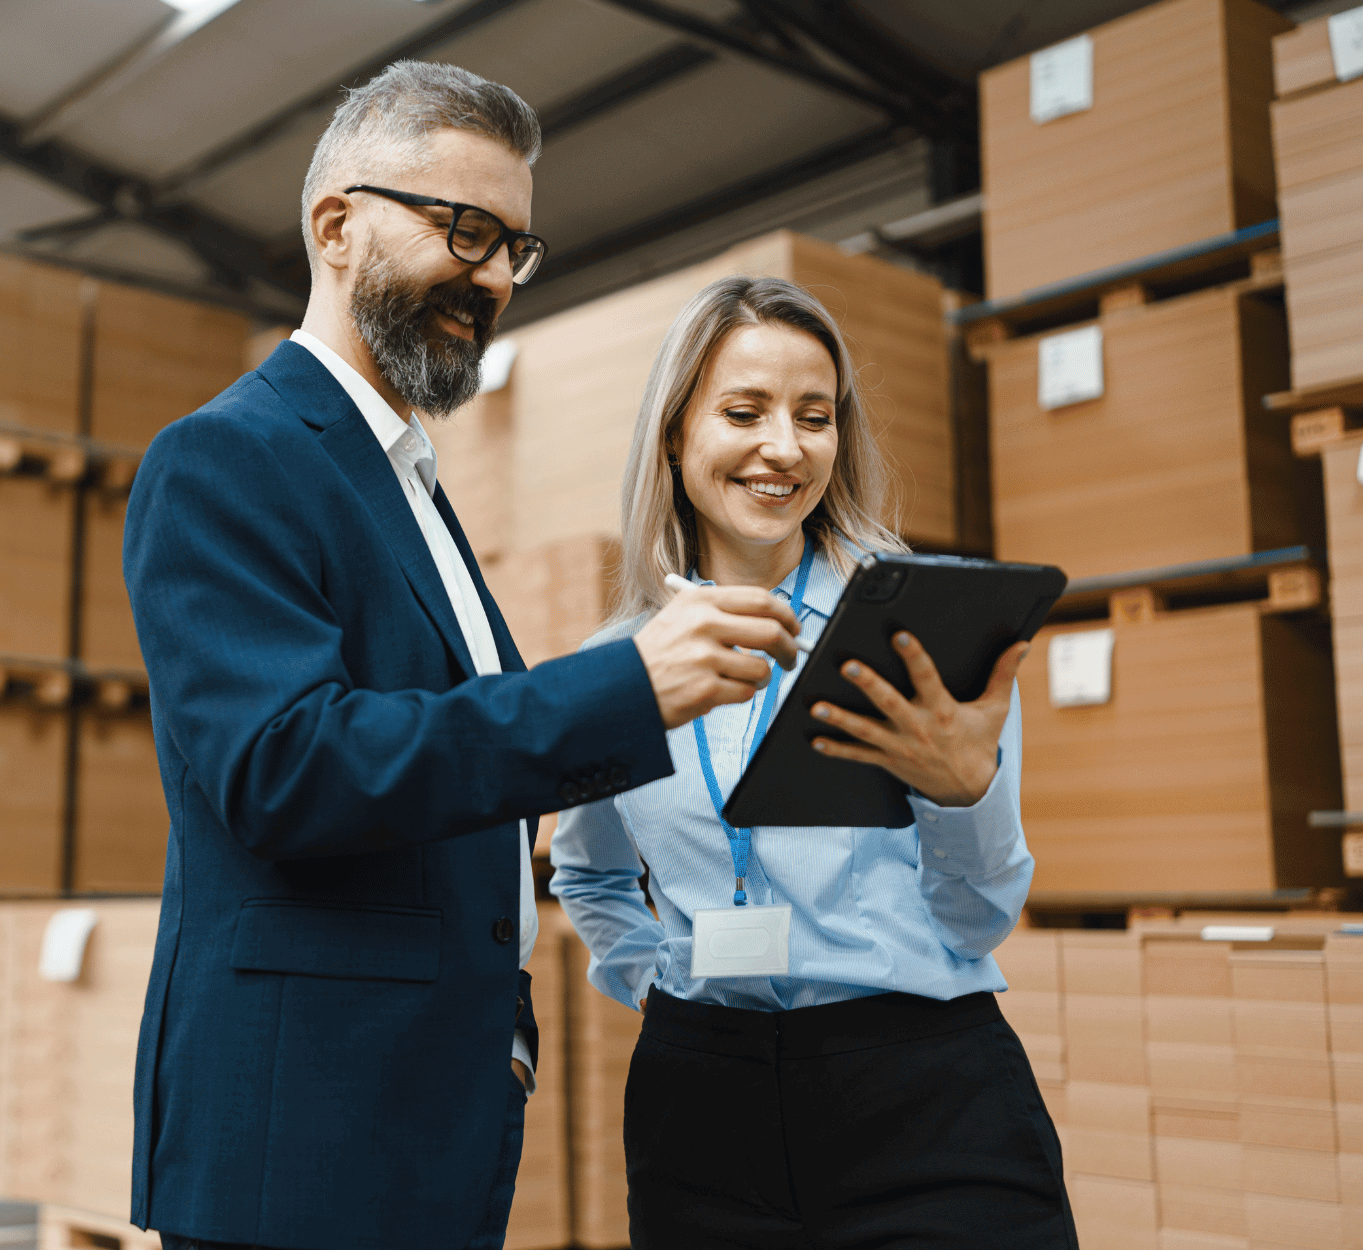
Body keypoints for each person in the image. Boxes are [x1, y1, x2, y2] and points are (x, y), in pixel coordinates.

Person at [121, 62, 809, 1250]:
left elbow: (459, 775)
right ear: (335, 226)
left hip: (416, 1116)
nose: (493, 277)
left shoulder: (406, 484)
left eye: (514, 249)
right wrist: (621, 687)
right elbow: (285, 769)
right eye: (466, 231)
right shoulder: (227, 458)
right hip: (300, 1143)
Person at [550, 275, 1076, 1249]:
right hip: (700, 1106)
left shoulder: (920, 626)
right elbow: (585, 870)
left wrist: (963, 792)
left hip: (923, 1088)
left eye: (814, 416)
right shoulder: (612, 668)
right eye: (743, 411)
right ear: (674, 434)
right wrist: (653, 977)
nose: (784, 448)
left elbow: (977, 917)